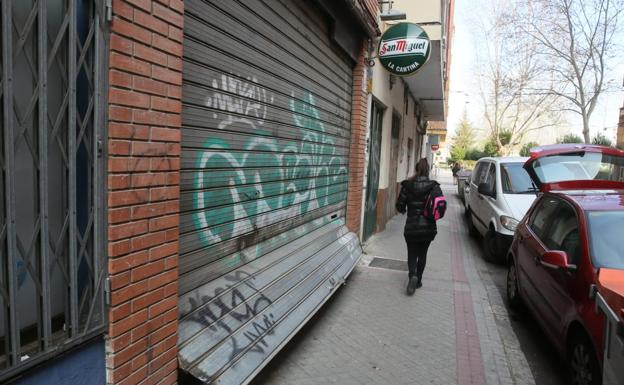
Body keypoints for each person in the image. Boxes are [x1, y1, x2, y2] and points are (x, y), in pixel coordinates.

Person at [396, 158, 444, 295]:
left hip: (411, 226)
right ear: (428, 170)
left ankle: (412, 276)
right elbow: (440, 206)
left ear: (416, 169)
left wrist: (405, 209)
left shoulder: (408, 185)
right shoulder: (434, 186)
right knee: (422, 254)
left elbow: (400, 205)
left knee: (412, 253)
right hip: (428, 227)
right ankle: (418, 281)